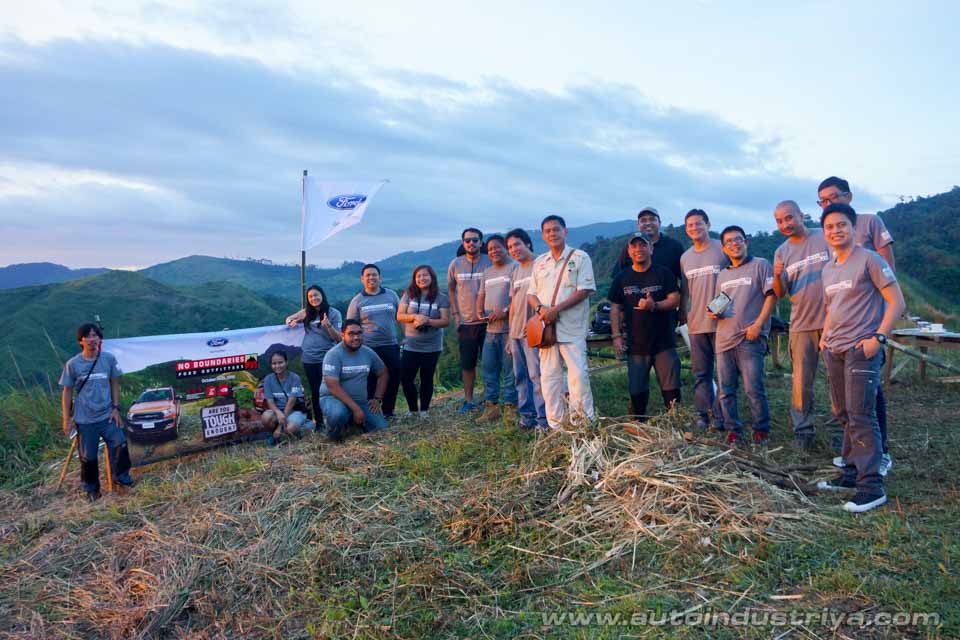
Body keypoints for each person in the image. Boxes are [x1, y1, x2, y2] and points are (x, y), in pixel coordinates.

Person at [816, 203, 905, 513]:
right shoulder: (828, 269)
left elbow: (897, 302)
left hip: (861, 348)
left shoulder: (870, 259)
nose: (836, 230)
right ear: (825, 233)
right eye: (829, 227)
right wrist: (825, 338)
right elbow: (832, 308)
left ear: (854, 228)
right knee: (842, 412)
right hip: (835, 349)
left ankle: (871, 486)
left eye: (842, 225)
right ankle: (851, 474)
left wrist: (878, 338)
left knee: (861, 414)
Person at [771, 200, 835, 449]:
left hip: (834, 322)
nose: (785, 224)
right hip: (801, 324)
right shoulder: (781, 252)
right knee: (801, 382)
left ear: (801, 215)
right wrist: (777, 275)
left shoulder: (824, 236)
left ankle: (838, 432)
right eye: (779, 221)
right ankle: (803, 432)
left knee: (836, 381)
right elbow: (779, 292)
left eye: (789, 218)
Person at [528, 215, 597, 428]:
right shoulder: (540, 262)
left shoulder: (580, 257)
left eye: (556, 229)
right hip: (546, 331)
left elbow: (584, 290)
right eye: (547, 231)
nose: (552, 233)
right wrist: (541, 309)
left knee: (578, 378)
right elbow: (531, 294)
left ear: (565, 231)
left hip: (572, 328)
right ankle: (556, 426)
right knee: (549, 379)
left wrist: (556, 310)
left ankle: (582, 424)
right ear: (543, 235)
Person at [711, 226, 777, 446]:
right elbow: (719, 301)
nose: (734, 244)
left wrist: (758, 325)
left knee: (753, 388)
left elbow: (771, 296)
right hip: (723, 339)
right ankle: (733, 430)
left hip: (749, 338)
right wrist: (712, 310)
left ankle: (761, 429)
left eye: (738, 239)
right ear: (724, 248)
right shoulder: (722, 275)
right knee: (726, 390)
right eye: (729, 242)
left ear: (746, 241)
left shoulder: (760, 265)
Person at [609, 232, 682, 419]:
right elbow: (615, 308)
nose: (638, 249)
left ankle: (675, 421)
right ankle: (639, 424)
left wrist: (655, 305)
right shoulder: (621, 278)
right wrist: (616, 336)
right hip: (636, 344)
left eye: (643, 245)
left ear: (650, 249)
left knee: (671, 387)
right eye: (634, 246)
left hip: (663, 342)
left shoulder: (663, 273)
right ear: (629, 251)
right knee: (637, 388)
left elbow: (675, 299)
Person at [59, 322, 134, 500]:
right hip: (85, 420)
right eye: (88, 336)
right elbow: (67, 391)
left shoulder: (108, 359)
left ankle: (121, 479)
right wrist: (66, 419)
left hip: (107, 415)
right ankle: (92, 489)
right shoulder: (73, 364)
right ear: (81, 341)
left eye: (96, 335)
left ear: (100, 339)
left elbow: (115, 383)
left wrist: (115, 408)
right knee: (88, 456)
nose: (92, 339)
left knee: (120, 443)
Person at [679, 208, 728, 431]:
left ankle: (721, 416)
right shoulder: (685, 258)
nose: (694, 228)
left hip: (723, 323)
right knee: (701, 374)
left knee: (724, 373)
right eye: (690, 225)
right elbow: (686, 292)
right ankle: (703, 414)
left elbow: (737, 277)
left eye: (699, 224)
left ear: (708, 225)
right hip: (697, 324)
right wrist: (686, 316)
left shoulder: (722, 248)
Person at [504, 228, 548, 430]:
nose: (514, 249)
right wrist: (509, 335)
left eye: (517, 244)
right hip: (515, 333)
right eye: (510, 247)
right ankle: (527, 417)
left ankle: (543, 420)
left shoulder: (541, 264)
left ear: (528, 243)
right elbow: (513, 304)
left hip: (534, 331)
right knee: (520, 378)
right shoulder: (515, 270)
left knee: (537, 376)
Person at [317, 320, 389, 440]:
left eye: (359, 333)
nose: (356, 337)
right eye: (351, 334)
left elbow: (383, 373)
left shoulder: (368, 352)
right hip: (333, 399)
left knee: (381, 428)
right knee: (338, 415)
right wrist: (356, 409)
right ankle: (333, 433)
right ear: (342, 335)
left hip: (360, 401)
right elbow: (332, 386)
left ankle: (352, 423)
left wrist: (377, 398)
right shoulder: (333, 355)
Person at [447, 228, 493, 414]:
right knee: (468, 364)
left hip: (490, 322)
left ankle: (491, 399)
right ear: (463, 243)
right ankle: (468, 399)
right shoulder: (455, 264)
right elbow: (450, 289)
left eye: (475, 240)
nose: (471, 243)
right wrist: (456, 315)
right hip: (466, 323)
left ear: (481, 242)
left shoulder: (490, 262)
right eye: (467, 240)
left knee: (491, 363)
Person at [346, 264, 401, 418]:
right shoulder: (357, 300)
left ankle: (388, 411)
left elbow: (401, 317)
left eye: (374, 274)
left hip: (390, 344)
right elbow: (350, 325)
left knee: (393, 377)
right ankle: (372, 412)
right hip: (367, 347)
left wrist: (406, 337)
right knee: (369, 381)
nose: (371, 278)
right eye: (368, 275)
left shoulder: (391, 295)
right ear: (362, 279)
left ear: (380, 277)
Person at [396, 265, 450, 417]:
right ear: (414, 279)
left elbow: (445, 321)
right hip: (411, 345)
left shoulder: (441, 297)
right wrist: (415, 317)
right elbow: (400, 315)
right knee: (406, 378)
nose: (422, 278)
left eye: (425, 275)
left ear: (432, 277)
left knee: (427, 378)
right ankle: (413, 409)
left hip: (432, 346)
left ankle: (424, 410)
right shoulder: (409, 295)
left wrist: (426, 321)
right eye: (418, 276)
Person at [476, 234, 518, 424]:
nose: (494, 251)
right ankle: (491, 407)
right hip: (490, 330)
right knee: (488, 369)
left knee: (511, 371)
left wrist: (505, 311)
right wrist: (478, 309)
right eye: (490, 249)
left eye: (497, 247)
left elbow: (519, 297)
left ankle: (510, 407)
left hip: (510, 329)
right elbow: (481, 294)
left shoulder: (515, 267)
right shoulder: (487, 271)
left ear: (505, 247)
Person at [285, 285, 342, 425]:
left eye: (316, 295)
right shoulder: (306, 313)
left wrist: (328, 325)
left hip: (327, 357)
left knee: (331, 389)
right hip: (309, 358)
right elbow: (289, 317)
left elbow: (339, 339)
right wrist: (290, 321)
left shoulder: (333, 313)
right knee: (315, 391)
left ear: (322, 295)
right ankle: (320, 422)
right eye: (310, 296)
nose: (314, 298)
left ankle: (334, 419)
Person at [613, 206, 684, 282]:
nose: (648, 223)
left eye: (652, 219)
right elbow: (617, 279)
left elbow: (685, 278)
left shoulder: (674, 246)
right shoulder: (630, 249)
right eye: (643, 220)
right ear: (638, 225)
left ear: (659, 223)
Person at [260, 350, 309, 442]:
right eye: (274, 363)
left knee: (289, 429)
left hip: (294, 410)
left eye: (280, 362)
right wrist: (278, 412)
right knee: (266, 417)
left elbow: (292, 400)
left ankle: (302, 429)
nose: (277, 366)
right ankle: (275, 436)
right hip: (279, 410)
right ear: (271, 365)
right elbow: (270, 401)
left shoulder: (295, 378)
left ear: (286, 363)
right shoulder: (268, 379)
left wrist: (279, 427)